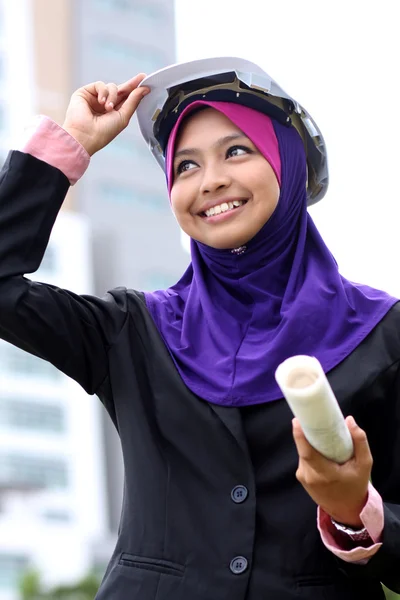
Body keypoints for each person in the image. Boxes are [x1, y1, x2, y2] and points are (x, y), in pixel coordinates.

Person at [0, 57, 399, 600]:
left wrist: (360, 513)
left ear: (287, 163)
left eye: (236, 151)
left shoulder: (382, 333)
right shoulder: (132, 330)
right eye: (184, 166)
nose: (210, 181)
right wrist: (70, 145)